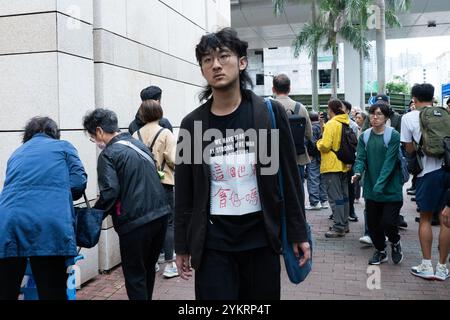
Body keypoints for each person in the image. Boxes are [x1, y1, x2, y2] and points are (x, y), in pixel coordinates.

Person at [174, 27, 310, 300]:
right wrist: (181, 246)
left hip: (262, 241)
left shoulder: (268, 114)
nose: (216, 65)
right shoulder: (192, 124)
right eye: (207, 60)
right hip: (213, 246)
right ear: (202, 70)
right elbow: (185, 191)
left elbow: (289, 176)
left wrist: (297, 231)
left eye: (224, 56)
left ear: (242, 62)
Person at [83, 108, 171, 299]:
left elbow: (110, 192)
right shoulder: (138, 145)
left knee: (135, 275)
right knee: (148, 269)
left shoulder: (108, 155)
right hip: (161, 215)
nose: (95, 142)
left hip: (135, 222)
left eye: (92, 137)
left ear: (99, 131)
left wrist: (94, 217)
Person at [0, 117, 87, 300]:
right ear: (54, 133)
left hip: (8, 223)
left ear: (27, 135)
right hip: (48, 225)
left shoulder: (17, 152)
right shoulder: (64, 147)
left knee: (6, 290)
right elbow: (78, 183)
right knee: (52, 290)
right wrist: (56, 196)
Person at [401, 83, 450, 281]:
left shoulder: (409, 117)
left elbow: (409, 150)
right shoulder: (446, 114)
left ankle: (426, 264)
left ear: (414, 98)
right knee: (446, 220)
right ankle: (442, 268)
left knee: (426, 219)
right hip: (448, 170)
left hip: (427, 174)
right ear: (432, 96)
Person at [352, 103, 404, 265]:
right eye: (373, 114)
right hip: (372, 190)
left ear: (386, 117)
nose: (375, 117)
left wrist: (379, 186)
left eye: (379, 114)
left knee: (388, 223)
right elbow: (360, 158)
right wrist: (358, 172)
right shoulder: (365, 136)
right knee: (373, 225)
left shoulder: (393, 135)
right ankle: (381, 251)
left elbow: (389, 164)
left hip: (390, 190)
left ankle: (395, 242)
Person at [132, 100, 178, 279]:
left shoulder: (135, 134)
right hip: (164, 183)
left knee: (147, 222)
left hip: (142, 185)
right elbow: (174, 160)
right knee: (168, 223)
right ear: (160, 112)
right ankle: (169, 265)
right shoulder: (166, 133)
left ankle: (151, 263)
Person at [272, 74, 313, 208]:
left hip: (274, 159)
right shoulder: (300, 108)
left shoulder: (267, 107)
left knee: (276, 191)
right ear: (289, 89)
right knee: (297, 190)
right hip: (297, 157)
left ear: (273, 89)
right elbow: (308, 134)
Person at [317, 99, 351, 238]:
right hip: (343, 163)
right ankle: (344, 223)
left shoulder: (332, 124)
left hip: (331, 165)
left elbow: (325, 145)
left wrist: (318, 143)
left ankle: (338, 227)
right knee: (344, 197)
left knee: (335, 197)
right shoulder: (345, 122)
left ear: (331, 110)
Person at [305, 111, 328, 210]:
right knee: (322, 179)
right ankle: (324, 201)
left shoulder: (312, 128)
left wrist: (310, 154)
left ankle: (315, 202)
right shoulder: (322, 126)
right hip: (323, 156)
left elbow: (311, 142)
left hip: (313, 156)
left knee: (313, 178)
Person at [342, 101, 359, 222]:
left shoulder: (352, 125)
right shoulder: (331, 123)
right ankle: (339, 211)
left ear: (347, 111)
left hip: (349, 160)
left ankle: (351, 209)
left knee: (349, 186)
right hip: (336, 161)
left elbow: (354, 145)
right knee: (338, 187)